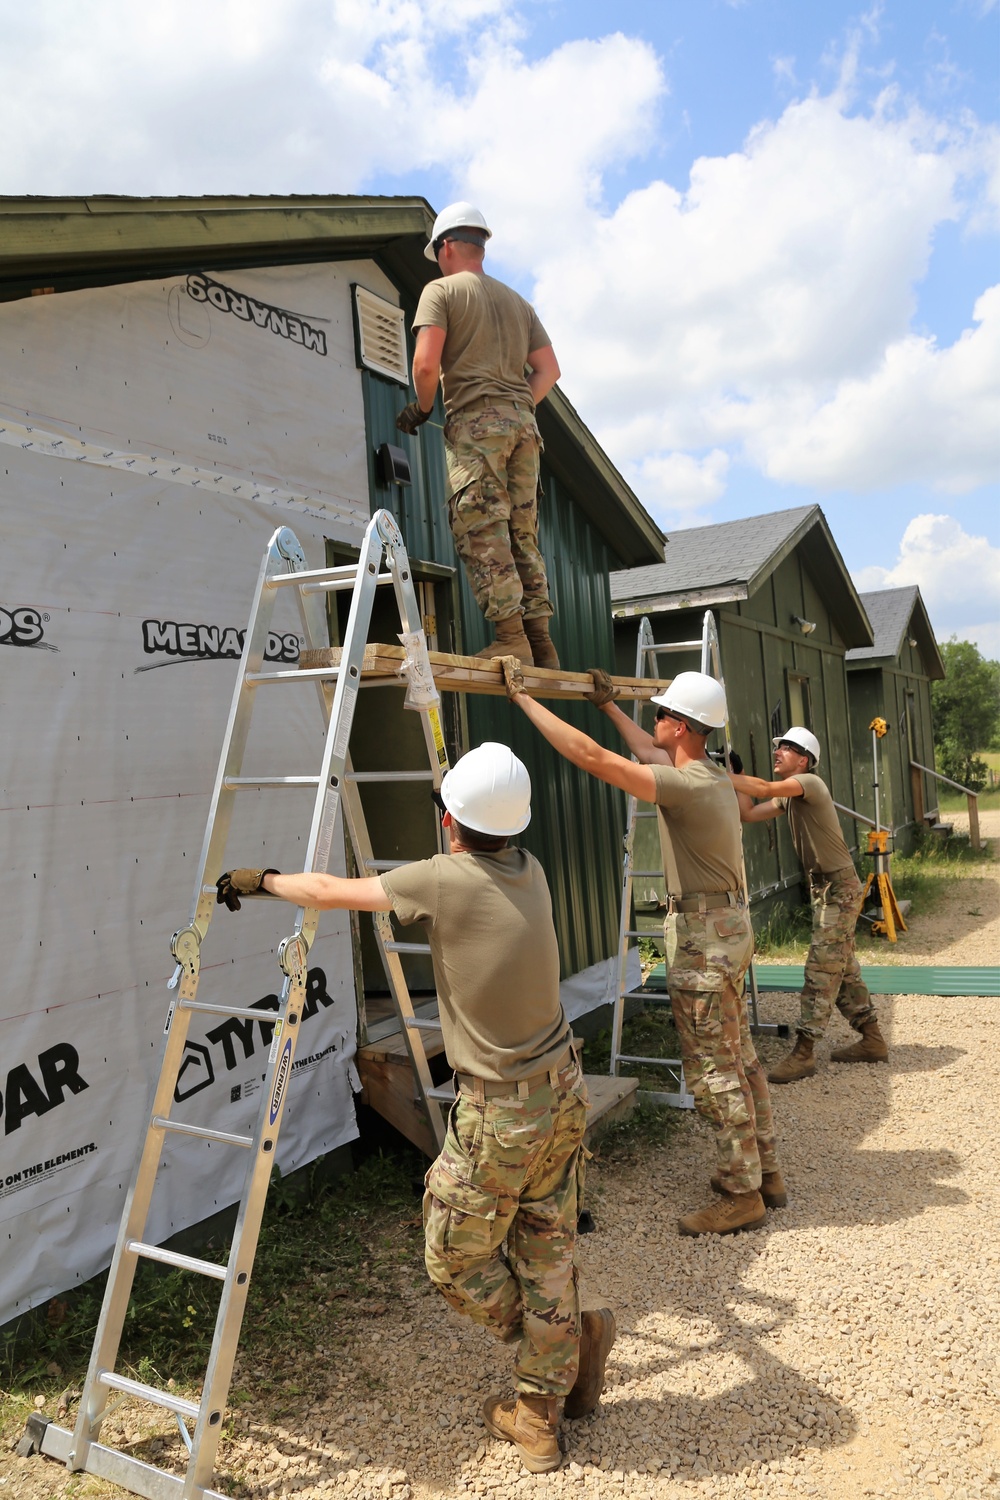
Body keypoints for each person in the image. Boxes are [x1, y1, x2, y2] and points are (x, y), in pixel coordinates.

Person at [216, 743, 615, 1474]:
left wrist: (261, 878)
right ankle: (543, 1401)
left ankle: (551, 1359)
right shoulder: (532, 870)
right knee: (545, 1246)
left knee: (452, 1256)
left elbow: (332, 892)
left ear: (448, 823)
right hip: (562, 1091)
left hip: (504, 1116)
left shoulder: (445, 878)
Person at [503, 662, 784, 1237]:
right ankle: (767, 1173)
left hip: (706, 940)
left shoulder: (684, 784)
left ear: (681, 726)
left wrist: (524, 701)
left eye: (661, 714)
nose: (653, 720)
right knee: (742, 1055)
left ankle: (742, 1192)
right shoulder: (707, 775)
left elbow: (594, 759)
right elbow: (643, 748)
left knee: (713, 1068)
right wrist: (607, 705)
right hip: (728, 928)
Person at [395, 202, 561, 669]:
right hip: (526, 427)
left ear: (445, 247)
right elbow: (549, 370)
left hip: (476, 426)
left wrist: (423, 407)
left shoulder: (441, 291)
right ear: (480, 245)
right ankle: (540, 642)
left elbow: (426, 364)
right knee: (521, 531)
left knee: (483, 527)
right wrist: (516, 404)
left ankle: (510, 638)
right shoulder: (517, 302)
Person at [730, 728, 889, 1083]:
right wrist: (735, 774)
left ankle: (803, 1054)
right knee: (842, 967)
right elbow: (749, 813)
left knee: (820, 970)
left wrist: (718, 774)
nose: (777, 751)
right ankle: (873, 1040)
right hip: (825, 889)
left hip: (839, 889)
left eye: (785, 748)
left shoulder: (809, 783)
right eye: (777, 747)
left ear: (804, 759)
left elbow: (764, 789)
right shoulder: (791, 794)